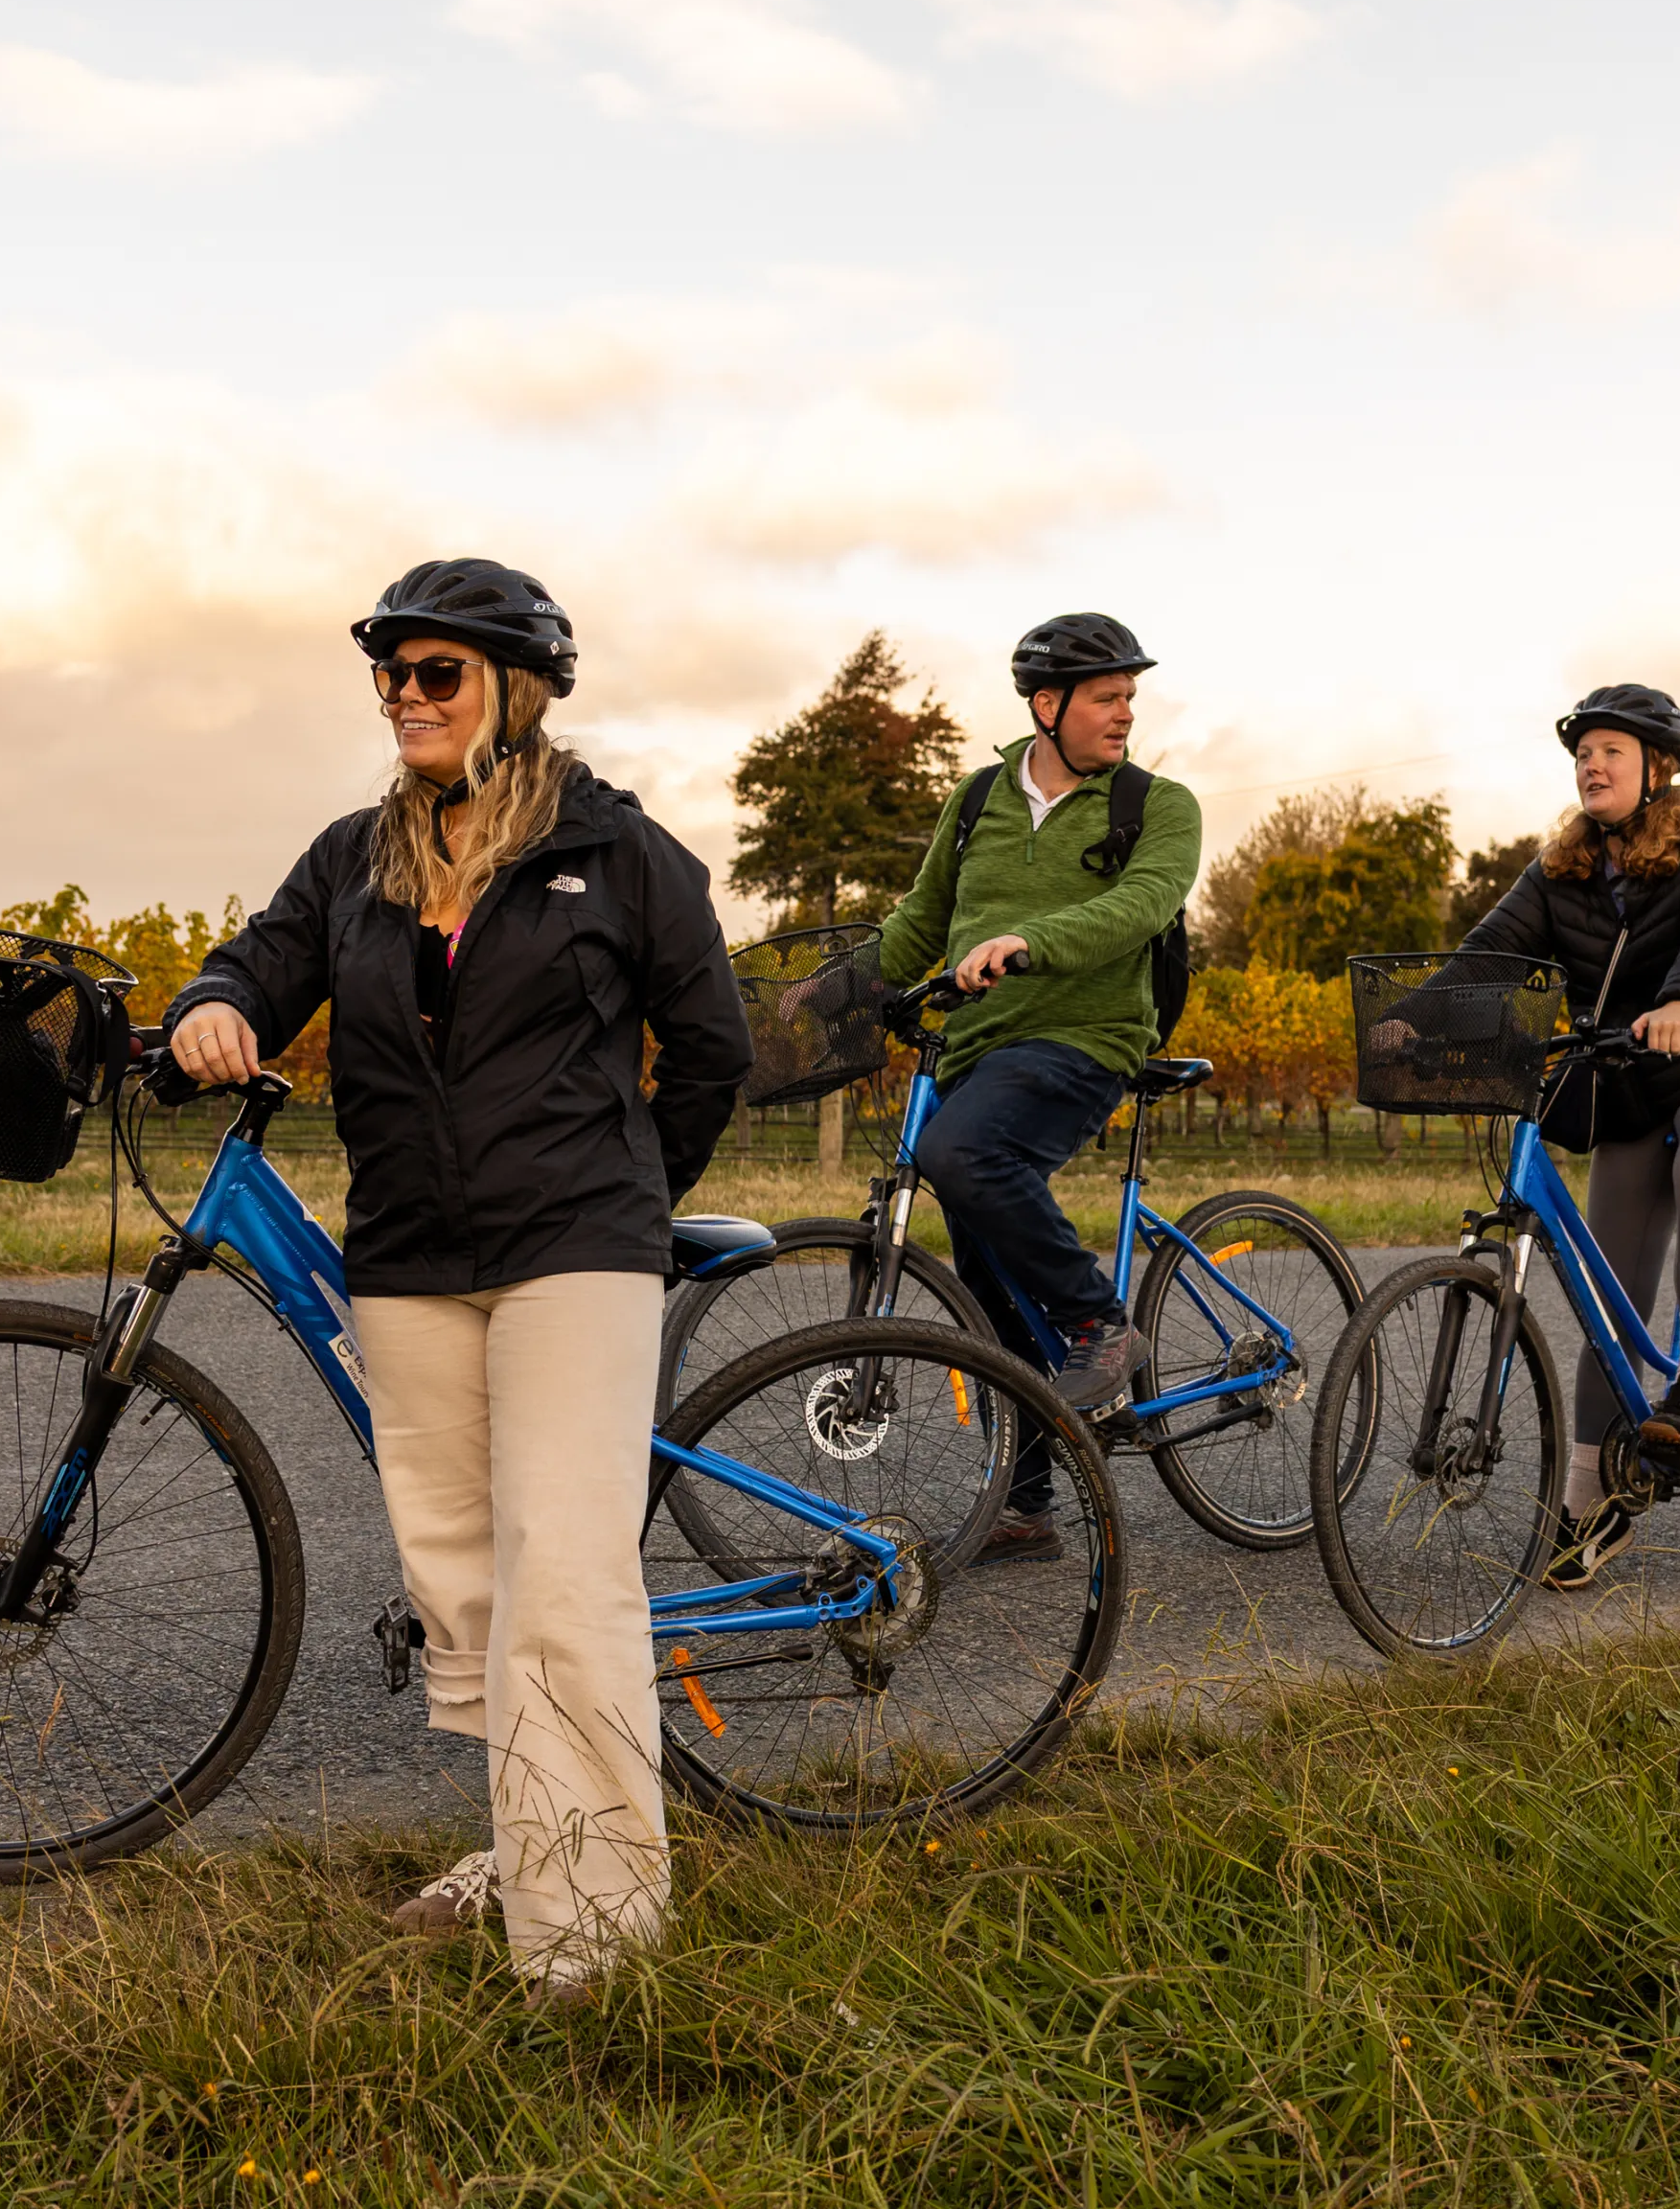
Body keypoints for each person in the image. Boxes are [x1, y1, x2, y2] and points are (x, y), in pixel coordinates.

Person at [164, 558, 752, 2004]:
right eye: (391, 673)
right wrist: (213, 1006)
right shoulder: (353, 860)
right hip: (412, 1257)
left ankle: (597, 1945)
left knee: (566, 1577)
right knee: (469, 1587)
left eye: (439, 673)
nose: (406, 697)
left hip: (573, 1251)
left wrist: (622, 1195)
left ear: (516, 690)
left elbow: (714, 1048)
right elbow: (259, 961)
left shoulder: (620, 857)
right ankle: (529, 1846)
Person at [1449, 683, 1680, 1589]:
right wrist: (1418, 1021)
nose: (1591, 763)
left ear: (1659, 767)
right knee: (1607, 1309)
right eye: (1583, 751)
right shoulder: (1559, 868)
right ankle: (1587, 1507)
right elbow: (1488, 953)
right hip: (1630, 1092)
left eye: (1612, 749)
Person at [877, 613, 1200, 1563]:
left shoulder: (1159, 805)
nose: (1125, 714)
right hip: (980, 1052)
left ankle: (1100, 1320)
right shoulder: (976, 801)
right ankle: (1024, 1510)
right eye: (1108, 697)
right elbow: (917, 925)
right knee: (986, 1280)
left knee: (959, 1152)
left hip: (1086, 1039)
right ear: (1047, 706)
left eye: (1130, 697)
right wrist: (823, 995)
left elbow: (1140, 905)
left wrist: (1030, 942)